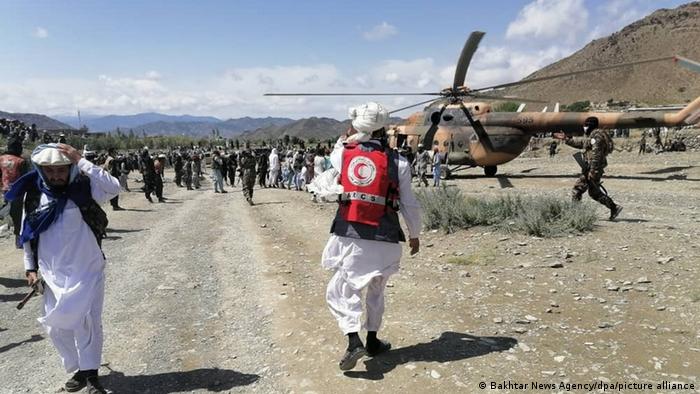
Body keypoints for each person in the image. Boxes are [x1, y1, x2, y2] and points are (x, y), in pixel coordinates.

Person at [5, 143, 120, 394]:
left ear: (71, 169)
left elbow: (114, 187)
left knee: (88, 323)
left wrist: (80, 159)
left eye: (61, 169)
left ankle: (90, 375)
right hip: (52, 271)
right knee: (56, 326)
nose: (56, 175)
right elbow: (28, 233)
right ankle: (79, 367)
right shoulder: (34, 195)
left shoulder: (85, 188)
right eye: (50, 170)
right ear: (41, 170)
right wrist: (30, 268)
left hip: (87, 268)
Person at [321, 102, 421, 371]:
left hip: (351, 235)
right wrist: (414, 234)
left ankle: (354, 341)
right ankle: (373, 341)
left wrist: (347, 135)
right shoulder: (398, 161)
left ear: (357, 127)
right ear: (384, 128)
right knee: (377, 290)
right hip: (386, 236)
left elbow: (337, 151)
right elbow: (409, 203)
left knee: (342, 290)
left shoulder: (343, 154)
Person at [554, 117, 623, 221]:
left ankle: (576, 214)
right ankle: (614, 207)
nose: (584, 127)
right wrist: (566, 139)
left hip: (593, 168)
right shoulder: (592, 136)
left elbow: (597, 155)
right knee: (594, 193)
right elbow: (581, 143)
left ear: (590, 125)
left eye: (586, 124)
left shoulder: (597, 136)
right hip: (590, 168)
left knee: (577, 190)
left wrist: (593, 170)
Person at [0, 133, 29, 246]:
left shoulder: (1, 159)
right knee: (18, 216)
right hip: (18, 192)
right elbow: (25, 178)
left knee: (9, 211)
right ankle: (19, 240)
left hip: (5, 190)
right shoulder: (21, 161)